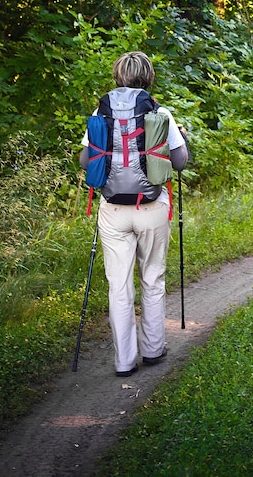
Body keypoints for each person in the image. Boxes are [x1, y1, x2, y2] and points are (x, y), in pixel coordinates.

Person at [79, 51, 188, 377]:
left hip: (113, 209)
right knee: (152, 279)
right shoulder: (160, 112)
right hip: (152, 206)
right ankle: (153, 350)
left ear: (118, 75)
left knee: (119, 287)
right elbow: (180, 162)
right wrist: (180, 137)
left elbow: (86, 162)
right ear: (148, 77)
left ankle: (124, 361)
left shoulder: (101, 111)